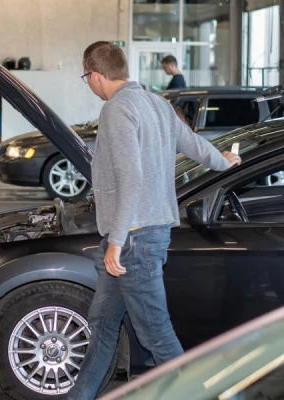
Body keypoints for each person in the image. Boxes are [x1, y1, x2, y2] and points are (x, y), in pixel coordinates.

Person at [67, 42, 241, 400]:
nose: (89, 84)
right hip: (143, 236)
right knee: (101, 327)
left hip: (132, 240)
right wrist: (226, 161)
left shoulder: (117, 109)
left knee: (157, 337)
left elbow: (132, 177)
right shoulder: (157, 104)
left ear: (95, 75)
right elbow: (195, 145)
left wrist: (115, 241)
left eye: (86, 78)